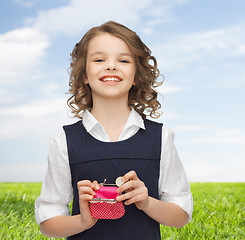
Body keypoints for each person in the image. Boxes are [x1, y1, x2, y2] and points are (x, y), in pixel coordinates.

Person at [35, 21, 193, 240]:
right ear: (84, 75)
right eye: (99, 59)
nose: (111, 66)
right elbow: (48, 224)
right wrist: (83, 220)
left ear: (137, 75)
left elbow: (181, 216)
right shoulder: (63, 141)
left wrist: (146, 202)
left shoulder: (161, 137)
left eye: (123, 60)